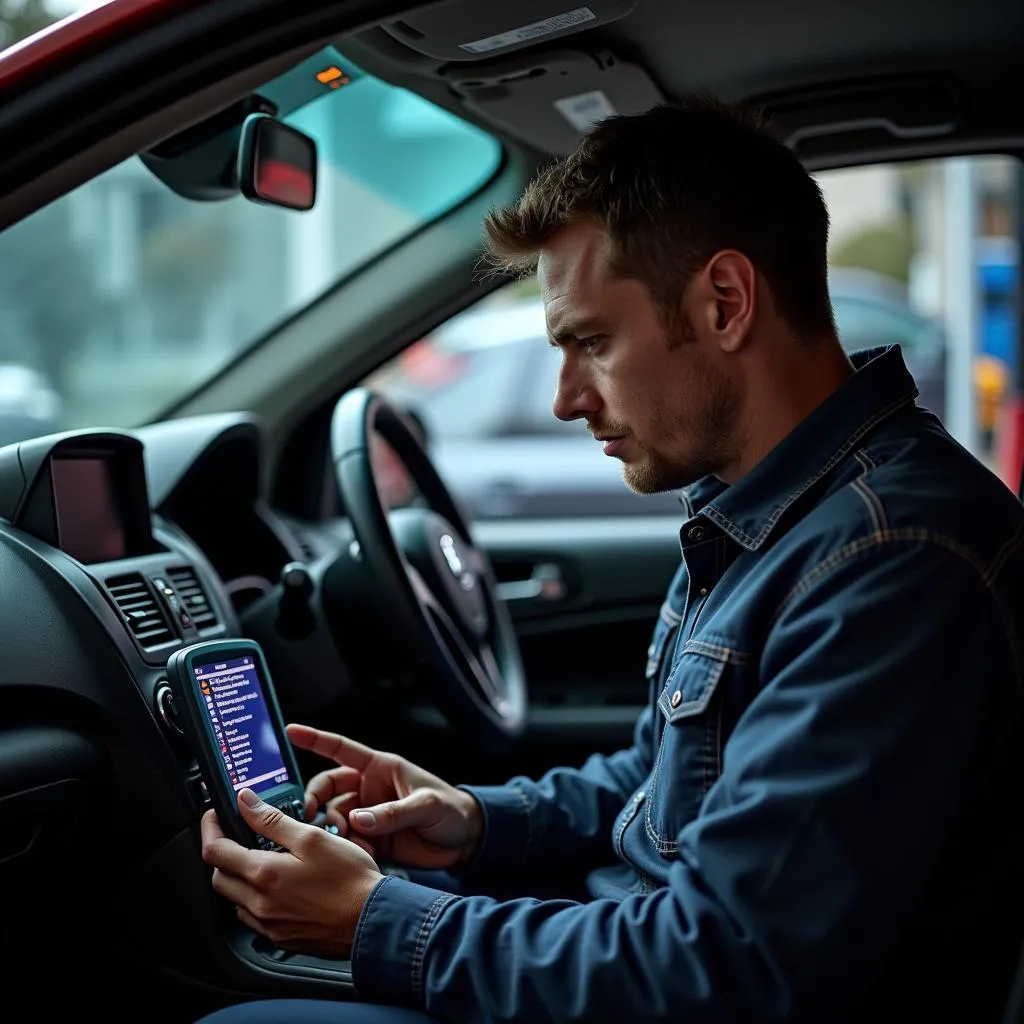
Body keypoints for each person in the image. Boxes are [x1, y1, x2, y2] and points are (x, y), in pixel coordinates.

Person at [196, 95, 1024, 1024]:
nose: (564, 399)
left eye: (592, 342)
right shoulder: (763, 507)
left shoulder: (891, 560)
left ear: (724, 302)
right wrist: (472, 822)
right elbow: (666, 777)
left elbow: (729, 969)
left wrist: (374, 920)